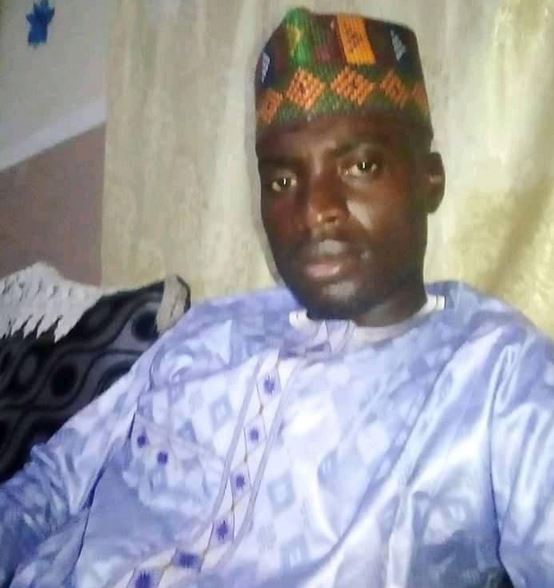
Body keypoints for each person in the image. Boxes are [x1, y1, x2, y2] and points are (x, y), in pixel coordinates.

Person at [1, 7, 553, 588]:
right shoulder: (207, 332)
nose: (314, 211)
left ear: (429, 180)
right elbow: (53, 482)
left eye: (361, 165)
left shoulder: (498, 377)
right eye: (283, 181)